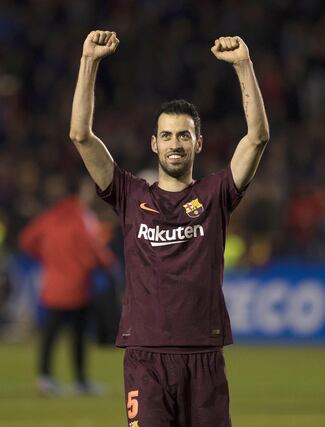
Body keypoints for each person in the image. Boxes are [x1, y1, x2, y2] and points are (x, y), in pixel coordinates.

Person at [70, 30, 269, 426]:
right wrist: (89, 62)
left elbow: (258, 138)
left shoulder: (215, 194)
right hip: (145, 357)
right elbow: (80, 136)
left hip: (204, 355)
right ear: (153, 144)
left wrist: (244, 66)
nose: (174, 142)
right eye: (166, 135)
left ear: (197, 143)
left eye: (183, 135)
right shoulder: (129, 194)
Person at [19, 176, 115, 395]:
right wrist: (108, 264)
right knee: (79, 337)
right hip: (79, 286)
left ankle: (45, 378)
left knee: (49, 336)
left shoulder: (49, 216)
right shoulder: (83, 217)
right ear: (80, 193)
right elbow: (96, 249)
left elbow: (26, 240)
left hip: (52, 287)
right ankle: (81, 381)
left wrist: (46, 257)